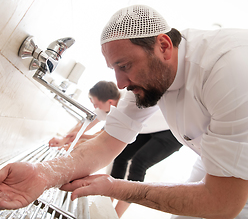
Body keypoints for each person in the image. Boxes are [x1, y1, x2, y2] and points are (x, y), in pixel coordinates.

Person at [0, 5, 248, 218]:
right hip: (214, 163)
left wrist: (116, 188)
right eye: (114, 69)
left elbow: (222, 204)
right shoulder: (153, 69)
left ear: (164, 46)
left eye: (124, 66)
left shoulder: (231, 73)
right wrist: (43, 174)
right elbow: (108, 142)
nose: (119, 83)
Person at [49, 80, 182, 217]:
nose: (95, 107)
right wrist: (64, 139)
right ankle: (108, 204)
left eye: (96, 104)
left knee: (139, 163)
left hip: (171, 130)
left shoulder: (126, 104)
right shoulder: (108, 103)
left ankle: (116, 215)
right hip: (148, 129)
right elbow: (87, 121)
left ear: (110, 102)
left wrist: (77, 138)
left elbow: (105, 135)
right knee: (120, 157)